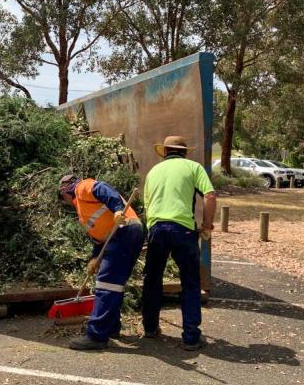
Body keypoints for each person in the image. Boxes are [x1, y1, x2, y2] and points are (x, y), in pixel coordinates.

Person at [142, 136, 216, 351]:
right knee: (190, 282)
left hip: (156, 228)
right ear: (184, 152)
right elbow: (210, 196)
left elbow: (148, 206)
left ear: (164, 151)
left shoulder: (153, 172)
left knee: (152, 279)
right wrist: (207, 225)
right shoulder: (193, 167)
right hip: (183, 229)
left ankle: (150, 328)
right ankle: (191, 337)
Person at [59, 175, 145, 350]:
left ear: (65, 190)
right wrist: (95, 259)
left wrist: (117, 210)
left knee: (106, 284)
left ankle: (97, 335)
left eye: (62, 197)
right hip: (123, 234)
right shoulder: (84, 210)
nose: (64, 201)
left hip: (123, 230)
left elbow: (104, 189)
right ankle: (111, 327)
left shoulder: (82, 187)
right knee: (114, 284)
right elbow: (100, 239)